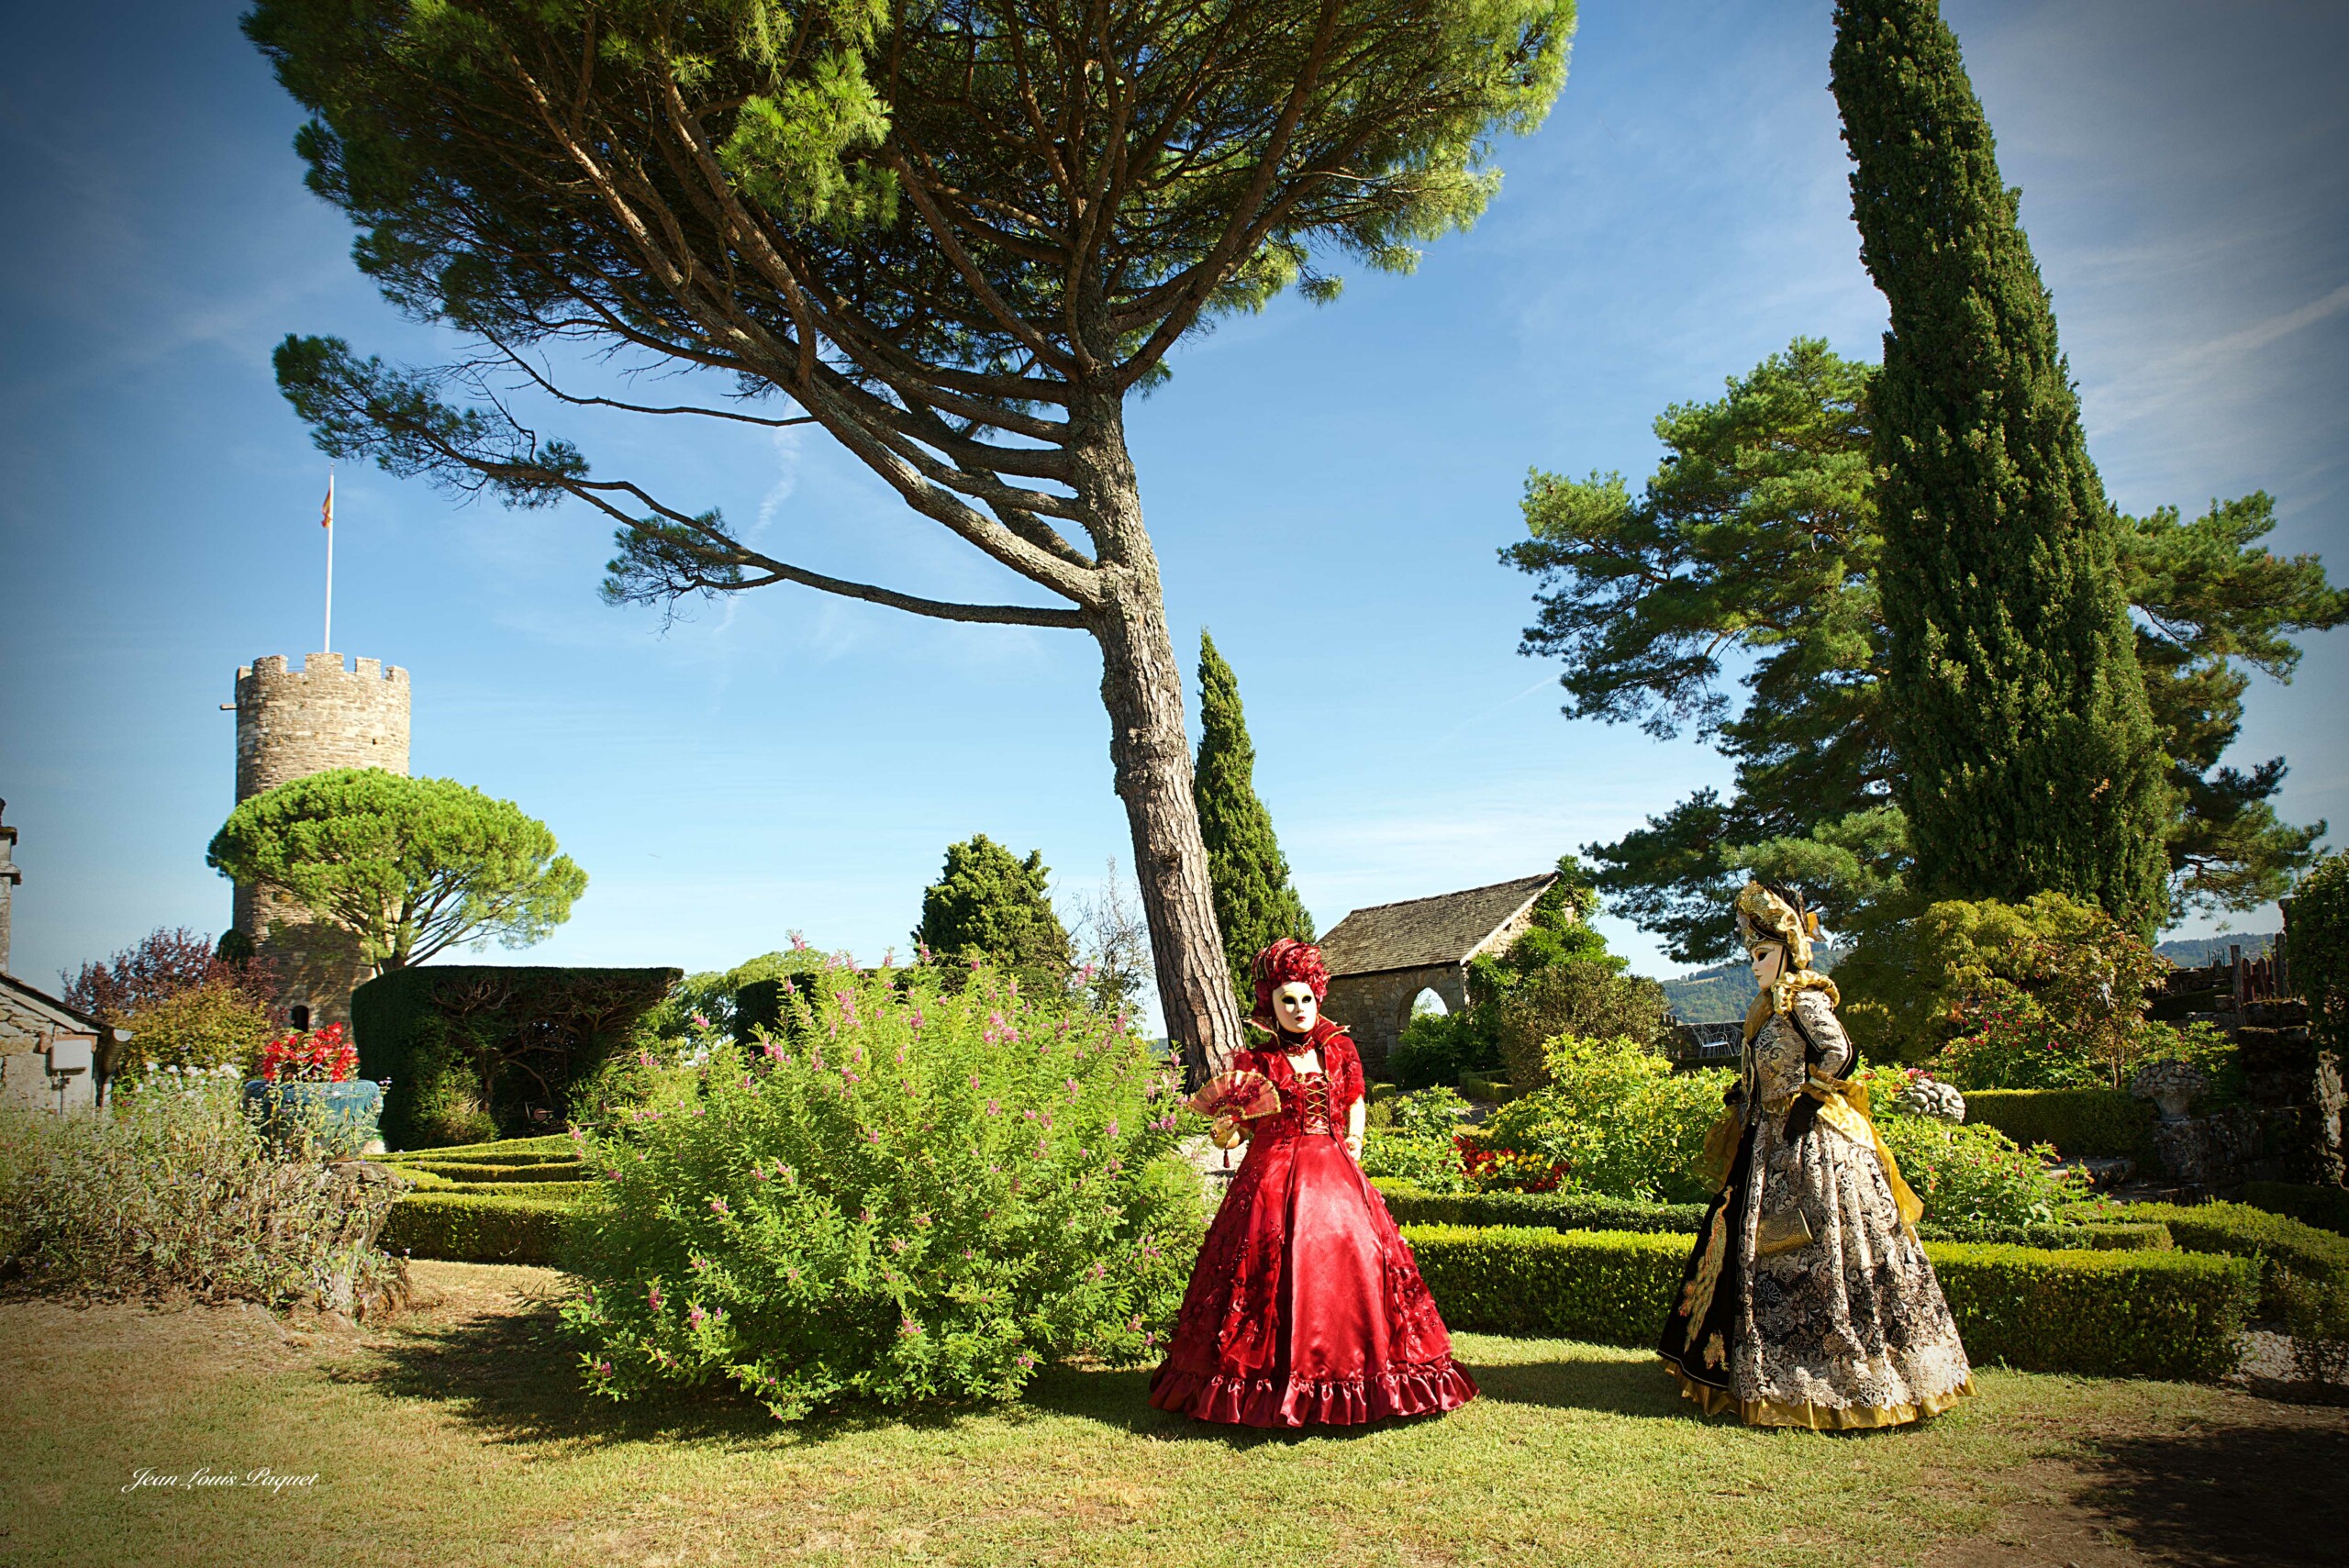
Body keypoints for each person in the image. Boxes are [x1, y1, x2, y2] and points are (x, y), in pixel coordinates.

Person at [1657, 880, 1976, 1429]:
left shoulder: (1802, 999)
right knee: (1768, 1252)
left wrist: (1809, 1098)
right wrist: (1750, 1095)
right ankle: (1770, 1372)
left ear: (1788, 950)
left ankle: (1848, 1375)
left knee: (1824, 1246)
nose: (1754, 965)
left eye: (1762, 954)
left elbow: (1839, 1051)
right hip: (1771, 1139)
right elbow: (1774, 1065)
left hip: (1813, 1145)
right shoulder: (1768, 1008)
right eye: (1751, 955)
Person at [1148, 938, 1478, 1427]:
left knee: (1357, 1261)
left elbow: (1355, 1100)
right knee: (1261, 1271)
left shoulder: (1339, 1048)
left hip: (1335, 1173)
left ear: (1317, 997)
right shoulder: (1254, 1063)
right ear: (1271, 1005)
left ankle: (1363, 1378)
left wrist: (1356, 1145)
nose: (1299, 1009)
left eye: (1305, 998)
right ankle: (1264, 1385)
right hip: (1270, 1178)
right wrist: (1227, 1128)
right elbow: (1241, 1127)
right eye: (1288, 1000)